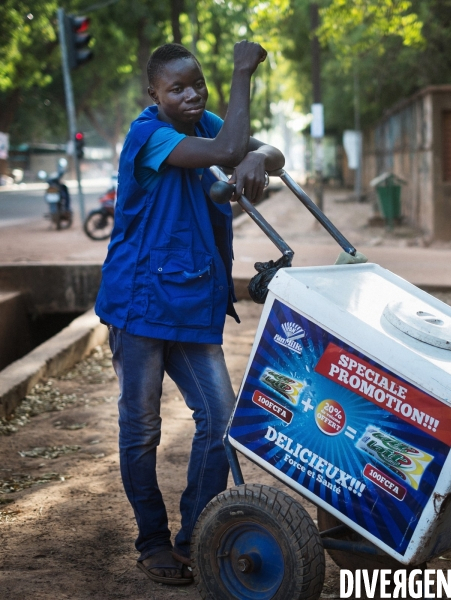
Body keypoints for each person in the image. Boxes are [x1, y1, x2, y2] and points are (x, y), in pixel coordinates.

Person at [95, 40, 285, 585]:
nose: (192, 94)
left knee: (220, 421)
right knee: (142, 428)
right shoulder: (149, 135)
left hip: (193, 300)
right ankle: (153, 542)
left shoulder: (209, 125)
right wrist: (243, 73)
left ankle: (196, 536)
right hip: (139, 306)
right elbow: (229, 149)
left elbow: (266, 150)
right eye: (177, 88)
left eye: (197, 83)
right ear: (153, 94)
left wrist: (257, 156)